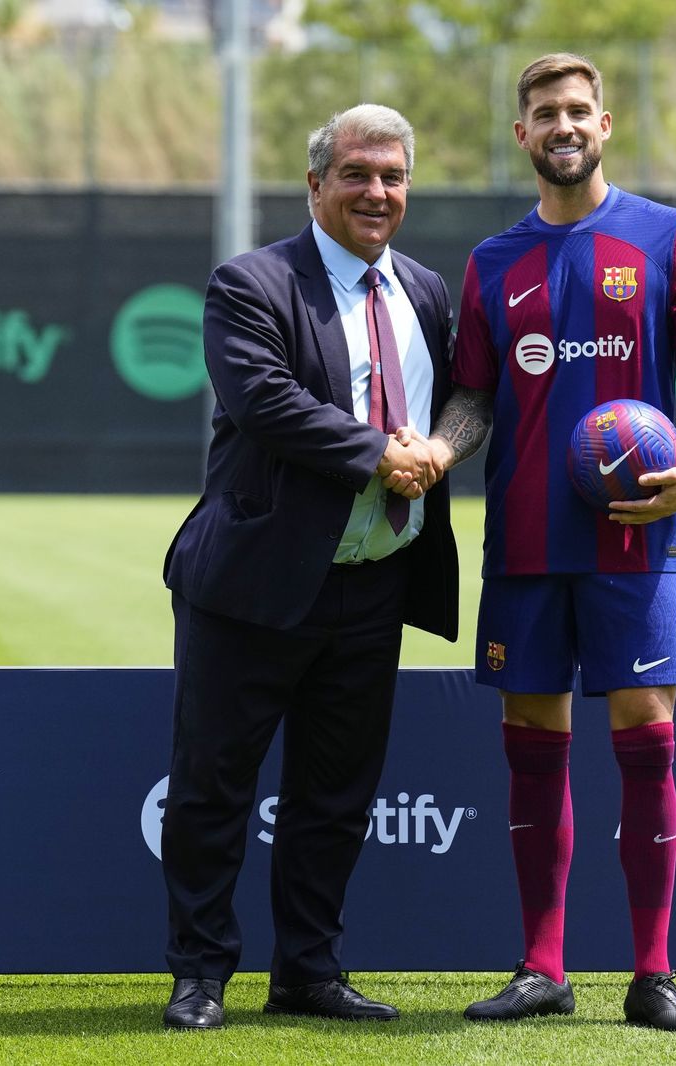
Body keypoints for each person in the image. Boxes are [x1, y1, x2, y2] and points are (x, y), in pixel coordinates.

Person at [403, 52, 676, 1032]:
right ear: (522, 134)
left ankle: (652, 973)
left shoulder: (668, 236)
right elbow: (471, 395)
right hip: (525, 543)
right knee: (533, 752)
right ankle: (542, 967)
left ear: (605, 123)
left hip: (636, 538)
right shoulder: (492, 263)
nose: (564, 125)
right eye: (545, 111)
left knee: (646, 741)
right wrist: (438, 449)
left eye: (579, 110)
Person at [158, 103, 457, 1031]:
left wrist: (440, 449)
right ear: (317, 183)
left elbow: (464, 405)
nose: (378, 192)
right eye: (360, 174)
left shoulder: (428, 292)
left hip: (373, 583)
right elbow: (265, 402)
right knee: (215, 787)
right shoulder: (250, 283)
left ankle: (309, 971)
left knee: (337, 795)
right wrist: (380, 456)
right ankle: (201, 975)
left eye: (394, 176)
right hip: (255, 582)